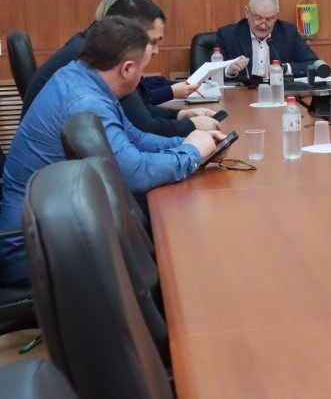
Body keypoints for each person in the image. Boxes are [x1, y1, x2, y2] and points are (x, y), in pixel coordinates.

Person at [0, 17, 226, 288]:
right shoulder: (87, 102)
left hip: (55, 225)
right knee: (179, 248)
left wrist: (190, 143)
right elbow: (135, 173)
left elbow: (134, 137)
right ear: (127, 68)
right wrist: (191, 154)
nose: (142, 77)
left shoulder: (81, 75)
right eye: (143, 69)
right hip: (35, 251)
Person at [23, 0, 217, 137]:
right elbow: (143, 129)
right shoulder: (98, 56)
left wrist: (183, 115)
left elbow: (141, 112)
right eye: (152, 41)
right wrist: (193, 129)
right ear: (130, 32)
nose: (156, 51)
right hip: (55, 174)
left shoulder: (90, 44)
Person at [217, 0, 319, 80]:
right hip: (241, 93)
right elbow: (210, 72)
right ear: (247, 12)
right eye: (258, 18)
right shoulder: (227, 35)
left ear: (277, 16)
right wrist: (229, 71)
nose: (263, 25)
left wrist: (283, 68)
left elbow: (314, 64)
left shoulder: (289, 32)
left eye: (269, 19)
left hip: (277, 91)